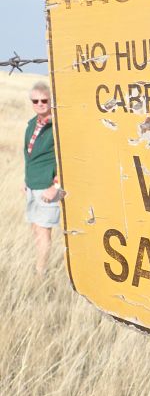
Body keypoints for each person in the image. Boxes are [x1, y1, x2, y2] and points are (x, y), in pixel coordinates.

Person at [24, 81, 60, 276]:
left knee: (44, 231)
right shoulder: (33, 124)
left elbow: (67, 159)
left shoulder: (57, 126)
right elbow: (28, 154)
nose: (40, 104)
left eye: (44, 100)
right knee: (36, 229)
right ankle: (39, 267)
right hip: (33, 185)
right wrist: (26, 180)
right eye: (35, 100)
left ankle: (41, 272)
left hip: (48, 187)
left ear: (50, 100)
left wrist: (56, 186)